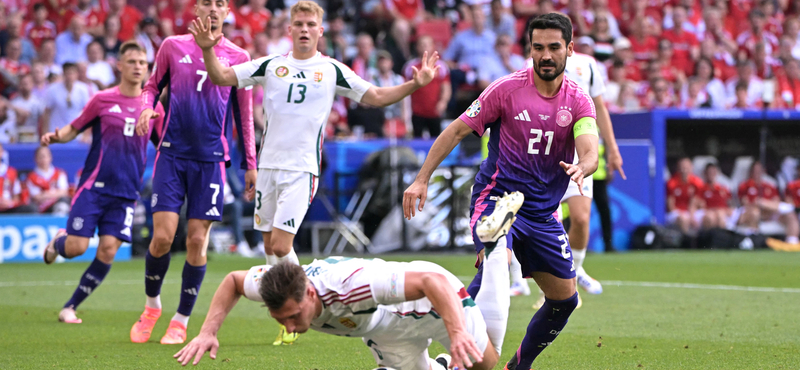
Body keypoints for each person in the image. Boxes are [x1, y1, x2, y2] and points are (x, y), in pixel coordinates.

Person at [190, 0, 441, 345]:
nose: (305, 29)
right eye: (299, 24)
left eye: (311, 24)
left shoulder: (332, 69)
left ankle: (306, 299)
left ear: (320, 31)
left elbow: (378, 95)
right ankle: (286, 312)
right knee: (268, 245)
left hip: (301, 169)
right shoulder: (271, 65)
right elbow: (221, 76)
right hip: (268, 168)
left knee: (281, 245)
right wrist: (207, 51)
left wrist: (415, 84)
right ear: (290, 30)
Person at [403, 13, 599, 370]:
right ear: (530, 48)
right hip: (497, 200)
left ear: (569, 49)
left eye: (554, 47)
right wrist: (422, 178)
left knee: (564, 300)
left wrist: (583, 166)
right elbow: (456, 131)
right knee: (497, 261)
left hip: (541, 214)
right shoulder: (505, 89)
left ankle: (511, 365)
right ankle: (449, 353)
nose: (545, 55)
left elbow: (589, 148)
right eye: (538, 47)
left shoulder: (579, 101)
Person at [176, 193, 521, 369]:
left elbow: (432, 280)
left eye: (294, 316)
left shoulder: (353, 285)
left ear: (311, 292)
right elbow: (235, 280)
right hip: (384, 331)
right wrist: (208, 331)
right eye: (281, 320)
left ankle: (493, 248)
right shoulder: (279, 284)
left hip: (428, 303)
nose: (292, 328)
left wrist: (457, 331)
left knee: (488, 364)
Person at [129, 0, 257, 346]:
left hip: (211, 159)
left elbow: (243, 114)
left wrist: (251, 164)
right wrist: (146, 110)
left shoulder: (239, 57)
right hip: (171, 154)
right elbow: (151, 87)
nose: (212, 9)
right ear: (195, 9)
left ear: (227, 12)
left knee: (198, 240)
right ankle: (152, 306)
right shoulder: (173, 46)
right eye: (206, 2)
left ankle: (181, 319)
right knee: (162, 238)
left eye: (219, 3)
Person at [41, 41, 165, 324]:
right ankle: (57, 242)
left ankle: (69, 307)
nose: (137, 67)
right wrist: (55, 136)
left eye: (142, 63)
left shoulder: (154, 108)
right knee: (75, 248)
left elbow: (165, 145)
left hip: (126, 194)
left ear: (148, 69)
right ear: (119, 66)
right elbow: (75, 127)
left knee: (108, 249)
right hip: (94, 188)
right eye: (132, 62)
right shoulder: (102, 100)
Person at [516, 39, 625, 305]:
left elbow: (600, 109)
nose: (549, 52)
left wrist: (612, 148)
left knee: (581, 218)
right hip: (546, 153)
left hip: (579, 152)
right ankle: (549, 286)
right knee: (548, 222)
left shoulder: (588, 65)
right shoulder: (533, 66)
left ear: (569, 45)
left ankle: (575, 270)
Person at [735, 161, 800, 250]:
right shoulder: (744, 186)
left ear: (763, 171)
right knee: (755, 212)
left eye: (759, 170)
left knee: (790, 215)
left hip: (770, 212)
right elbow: (745, 203)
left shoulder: (769, 186)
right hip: (752, 213)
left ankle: (792, 242)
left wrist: (764, 204)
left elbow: (776, 201)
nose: (757, 173)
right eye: (755, 170)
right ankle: (753, 241)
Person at [403, 35, 451, 138]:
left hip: (435, 111)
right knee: (416, 141)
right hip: (416, 112)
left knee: (436, 141)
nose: (425, 47)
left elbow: (446, 87)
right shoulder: (410, 67)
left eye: (427, 44)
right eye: (422, 44)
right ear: (417, 47)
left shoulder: (441, 67)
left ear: (433, 46)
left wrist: (443, 102)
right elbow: (404, 89)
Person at [25, 146, 71, 214]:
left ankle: (59, 223)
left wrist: (45, 193)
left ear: (50, 157)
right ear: (35, 159)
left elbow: (64, 192)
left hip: (57, 204)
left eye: (46, 156)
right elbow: (37, 197)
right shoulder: (31, 177)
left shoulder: (59, 173)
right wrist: (55, 193)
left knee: (63, 202)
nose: (43, 159)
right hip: (41, 208)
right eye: (40, 157)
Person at [666, 157, 703, 234]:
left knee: (709, 217)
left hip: (690, 211)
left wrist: (691, 215)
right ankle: (686, 241)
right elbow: (670, 206)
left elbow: (694, 202)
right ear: (678, 168)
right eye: (682, 167)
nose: (684, 170)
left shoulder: (696, 182)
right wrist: (681, 214)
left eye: (686, 167)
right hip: (676, 212)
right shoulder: (672, 183)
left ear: (691, 167)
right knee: (684, 219)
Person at [696, 163, 731, 230]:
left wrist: (729, 209)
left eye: (713, 172)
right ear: (705, 173)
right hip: (708, 212)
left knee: (720, 215)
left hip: (722, 212)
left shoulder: (723, 188)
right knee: (711, 217)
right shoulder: (701, 189)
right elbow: (697, 203)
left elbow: (730, 203)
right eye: (709, 172)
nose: (711, 174)